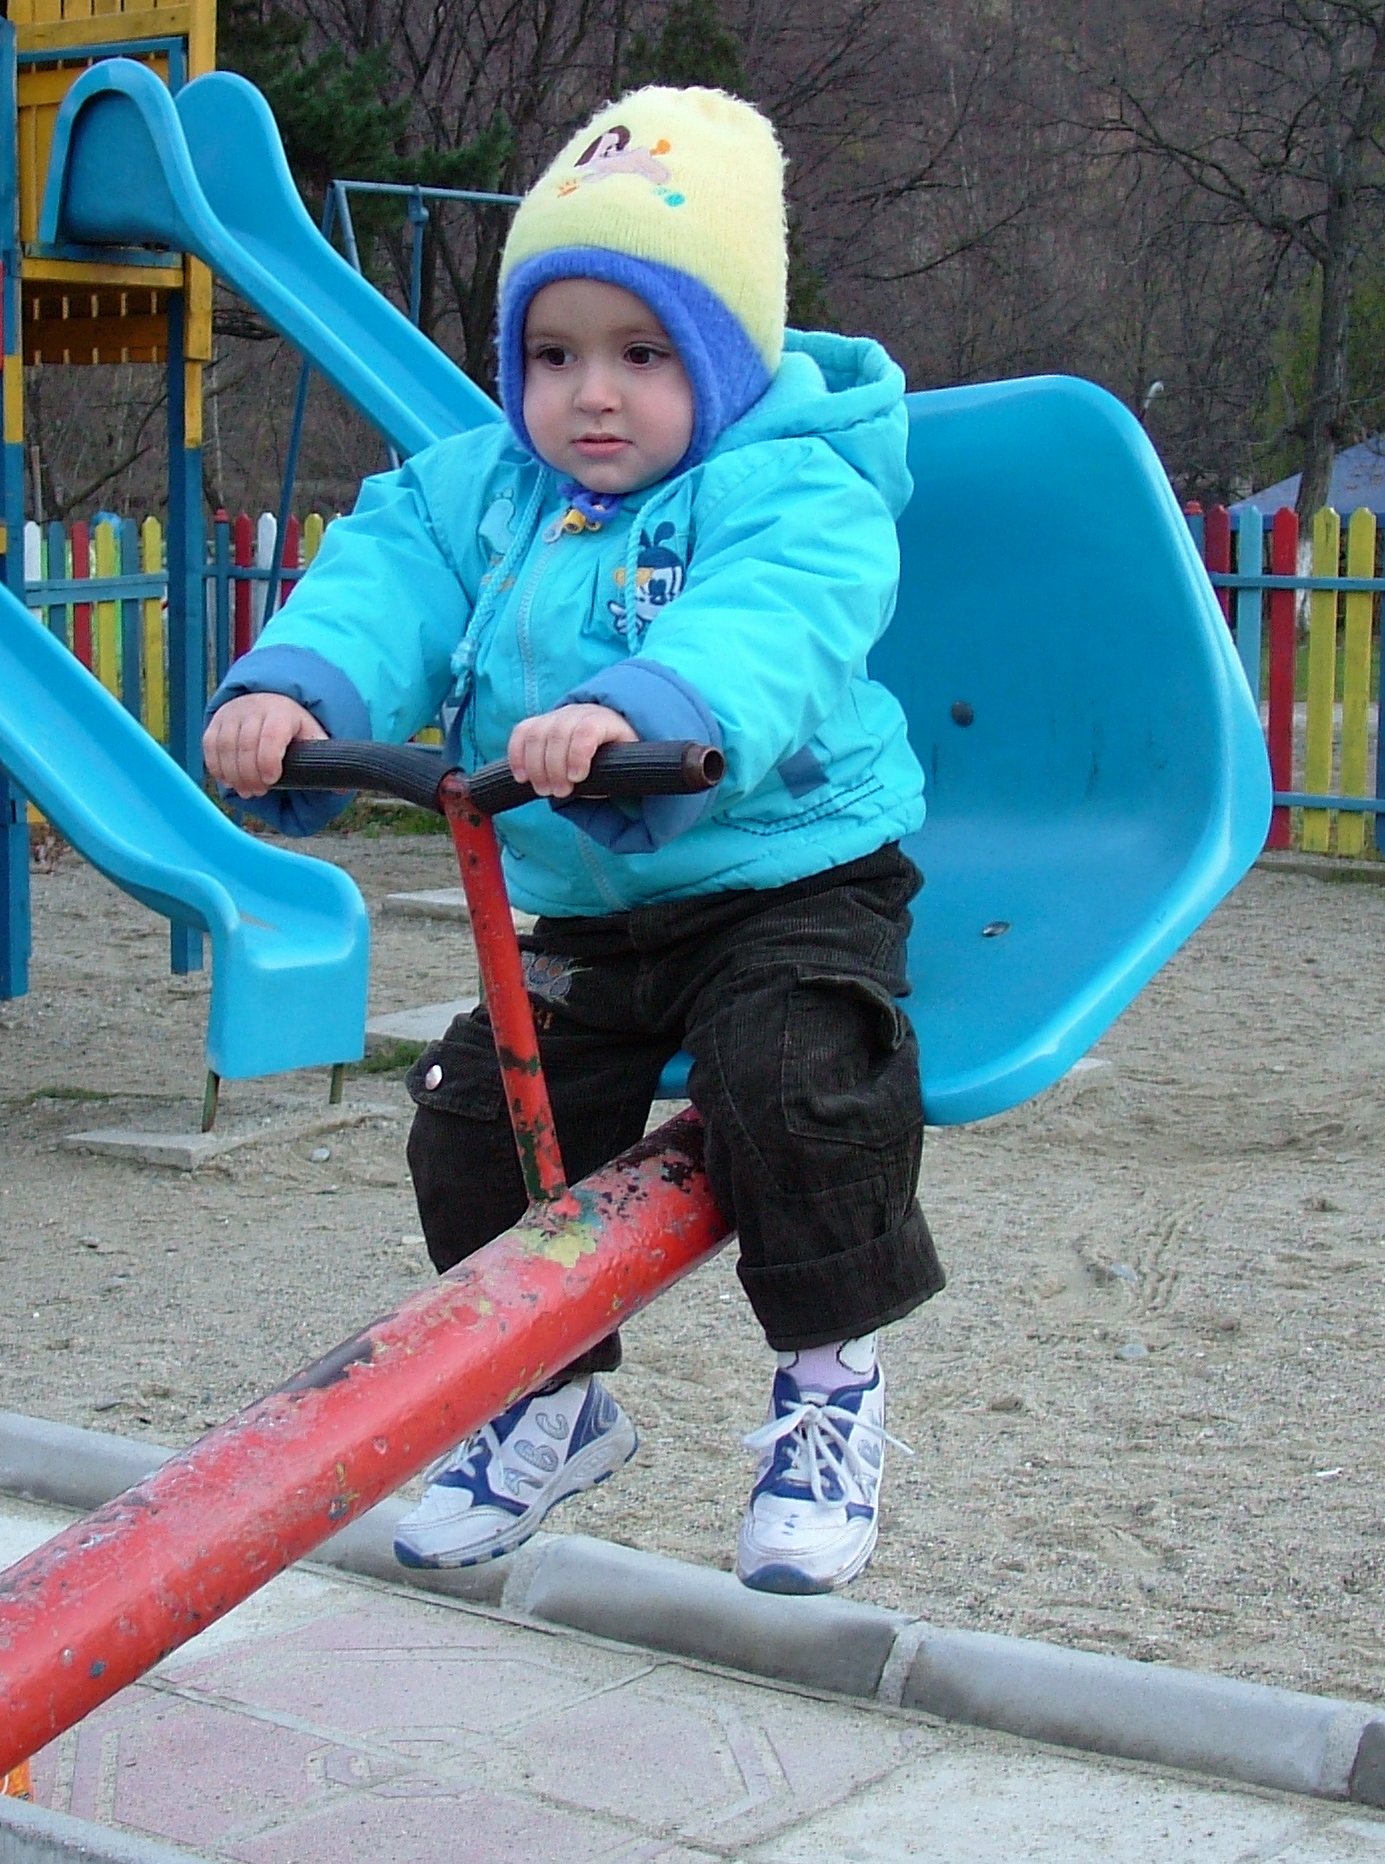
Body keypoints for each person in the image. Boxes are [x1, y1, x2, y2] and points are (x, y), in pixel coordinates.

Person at [202, 84, 942, 1595]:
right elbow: (386, 577)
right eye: (553, 355)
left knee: (793, 1076)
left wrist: (638, 709)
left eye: (643, 354)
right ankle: (553, 1392)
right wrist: (297, 689)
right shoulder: (488, 490)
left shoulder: (794, 483)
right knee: (475, 1114)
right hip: (599, 910)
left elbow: (776, 625)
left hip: (788, 871)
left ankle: (829, 1386)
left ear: (725, 358)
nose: (591, 396)